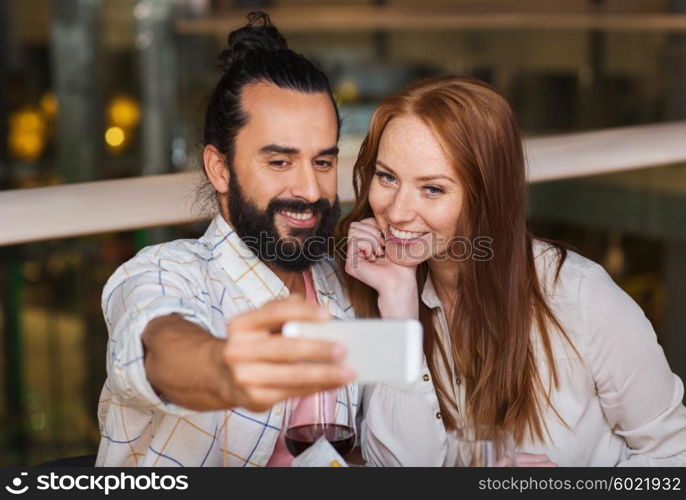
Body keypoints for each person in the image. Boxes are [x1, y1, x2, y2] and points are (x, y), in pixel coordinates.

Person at [338, 75, 686, 466]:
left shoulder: (582, 298)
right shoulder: (370, 293)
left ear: (487, 196)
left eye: (432, 189)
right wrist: (399, 314)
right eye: (387, 177)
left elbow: (675, 457)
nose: (397, 211)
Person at [96, 13, 357, 467]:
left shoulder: (341, 286)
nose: (311, 191)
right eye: (279, 162)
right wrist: (218, 367)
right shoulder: (164, 271)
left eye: (323, 162)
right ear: (219, 168)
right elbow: (158, 339)